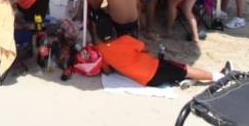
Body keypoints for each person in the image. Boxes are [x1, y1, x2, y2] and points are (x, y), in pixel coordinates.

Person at [93, 34, 225, 87]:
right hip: (154, 69)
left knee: (176, 72)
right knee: (183, 69)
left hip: (146, 81)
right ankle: (218, 77)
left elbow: (107, 72)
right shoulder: (125, 40)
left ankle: (187, 80)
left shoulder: (101, 51)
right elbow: (145, 48)